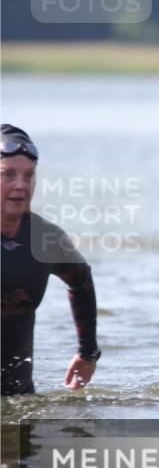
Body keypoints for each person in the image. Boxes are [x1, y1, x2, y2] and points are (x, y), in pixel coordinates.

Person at [1, 124, 101, 395]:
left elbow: (81, 281)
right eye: (8, 174)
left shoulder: (46, 239)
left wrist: (88, 353)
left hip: (20, 397)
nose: (20, 185)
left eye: (29, 175)